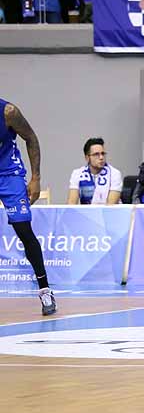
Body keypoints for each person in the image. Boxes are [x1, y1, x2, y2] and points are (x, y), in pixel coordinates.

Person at [0, 99, 53, 315]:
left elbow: (31, 138)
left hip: (9, 174)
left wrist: (36, 178)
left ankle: (45, 291)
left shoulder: (8, 112)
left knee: (24, 231)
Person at [67, 137, 122, 205]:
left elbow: (110, 205)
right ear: (87, 158)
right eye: (96, 154)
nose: (101, 157)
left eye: (103, 153)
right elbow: (71, 204)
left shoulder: (114, 174)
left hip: (109, 214)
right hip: (86, 214)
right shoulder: (77, 174)